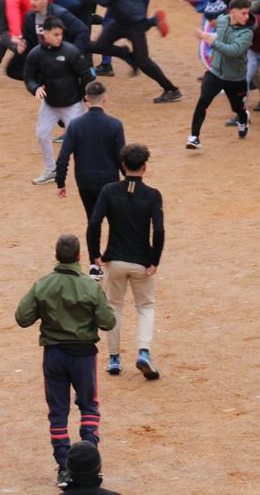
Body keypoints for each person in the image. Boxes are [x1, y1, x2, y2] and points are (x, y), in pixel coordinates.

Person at [15, 234, 116, 491]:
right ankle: (89, 460)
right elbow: (108, 322)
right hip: (83, 355)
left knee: (58, 413)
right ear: (80, 257)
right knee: (89, 407)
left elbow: (22, 317)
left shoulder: (43, 285)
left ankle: (63, 467)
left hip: (54, 355)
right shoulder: (90, 286)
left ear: (57, 256)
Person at [89, 143, 165, 381]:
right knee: (145, 307)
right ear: (145, 166)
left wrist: (95, 254)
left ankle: (114, 358)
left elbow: (94, 222)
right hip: (141, 261)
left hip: (115, 259)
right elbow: (159, 230)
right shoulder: (152, 195)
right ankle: (143, 351)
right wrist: (155, 260)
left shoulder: (109, 191)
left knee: (114, 306)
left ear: (123, 165)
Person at [84, 0, 182, 103]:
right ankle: (126, 52)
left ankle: (172, 89)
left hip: (132, 22)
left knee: (143, 61)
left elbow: (105, 0)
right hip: (123, 19)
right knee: (99, 45)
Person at [23, 18, 92, 185]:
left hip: (73, 104)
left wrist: (86, 95)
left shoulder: (71, 52)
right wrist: (35, 88)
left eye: (61, 34)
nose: (59, 37)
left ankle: (88, 171)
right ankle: (50, 169)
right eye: (56, 34)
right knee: (42, 134)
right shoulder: (35, 54)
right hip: (49, 103)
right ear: (44, 33)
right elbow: (28, 77)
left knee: (80, 139)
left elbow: (86, 76)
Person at [187, 0, 254, 150]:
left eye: (248, 13)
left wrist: (212, 42)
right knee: (203, 100)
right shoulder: (222, 21)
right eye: (243, 13)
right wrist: (208, 37)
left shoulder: (247, 32)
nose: (247, 16)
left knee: (237, 107)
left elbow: (234, 51)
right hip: (215, 72)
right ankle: (194, 137)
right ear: (232, 12)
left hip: (235, 78)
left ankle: (243, 119)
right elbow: (219, 36)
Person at [57, 81, 126, 219]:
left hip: (85, 180)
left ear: (87, 98)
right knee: (115, 220)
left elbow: (63, 157)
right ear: (105, 98)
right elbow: (121, 157)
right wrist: (127, 177)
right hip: (110, 180)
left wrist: (61, 182)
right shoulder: (115, 124)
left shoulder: (75, 125)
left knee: (93, 220)